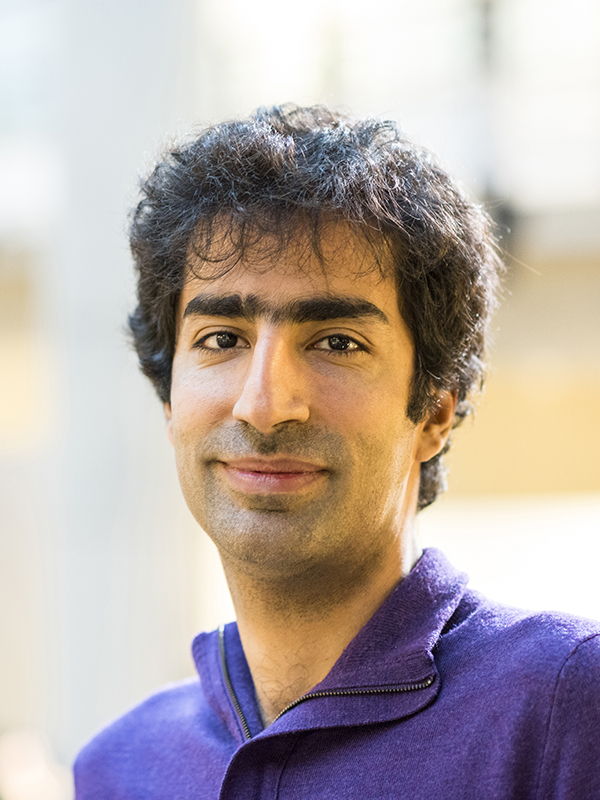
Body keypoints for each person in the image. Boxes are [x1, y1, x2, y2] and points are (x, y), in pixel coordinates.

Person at [74, 105, 600, 799]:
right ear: (169, 399)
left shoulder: (565, 704)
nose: (263, 403)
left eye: (336, 343)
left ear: (435, 410)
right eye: (222, 339)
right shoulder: (120, 768)